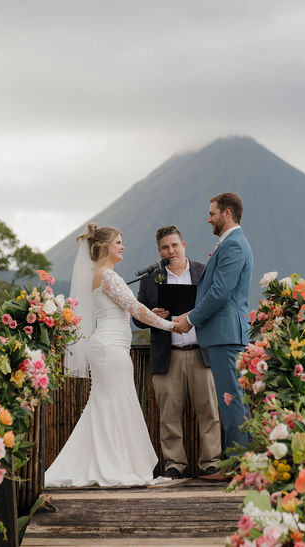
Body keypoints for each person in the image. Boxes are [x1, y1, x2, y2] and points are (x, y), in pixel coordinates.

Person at [44, 223, 177, 487]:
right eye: (118, 242)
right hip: (109, 349)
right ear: (105, 247)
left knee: (108, 404)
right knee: (115, 403)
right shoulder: (107, 276)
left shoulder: (102, 275)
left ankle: (110, 462)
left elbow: (130, 309)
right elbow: (136, 309)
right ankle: (114, 465)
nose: (122, 246)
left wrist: (157, 317)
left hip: (111, 348)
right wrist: (172, 325)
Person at [172, 193, 253, 481]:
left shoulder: (233, 245)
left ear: (227, 213)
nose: (208, 219)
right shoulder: (231, 244)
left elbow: (220, 292)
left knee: (232, 402)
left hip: (225, 334)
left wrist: (190, 319)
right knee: (233, 400)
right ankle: (244, 465)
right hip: (224, 334)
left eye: (212, 213)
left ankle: (237, 468)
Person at [134, 225, 222, 479]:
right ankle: (174, 464)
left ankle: (211, 463)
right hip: (167, 355)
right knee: (168, 414)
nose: (170, 250)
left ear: (184, 245)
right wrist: (151, 315)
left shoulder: (203, 273)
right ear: (159, 251)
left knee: (209, 411)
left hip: (201, 353)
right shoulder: (150, 279)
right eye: (165, 247)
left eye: (174, 245)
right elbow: (138, 319)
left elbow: (217, 307)